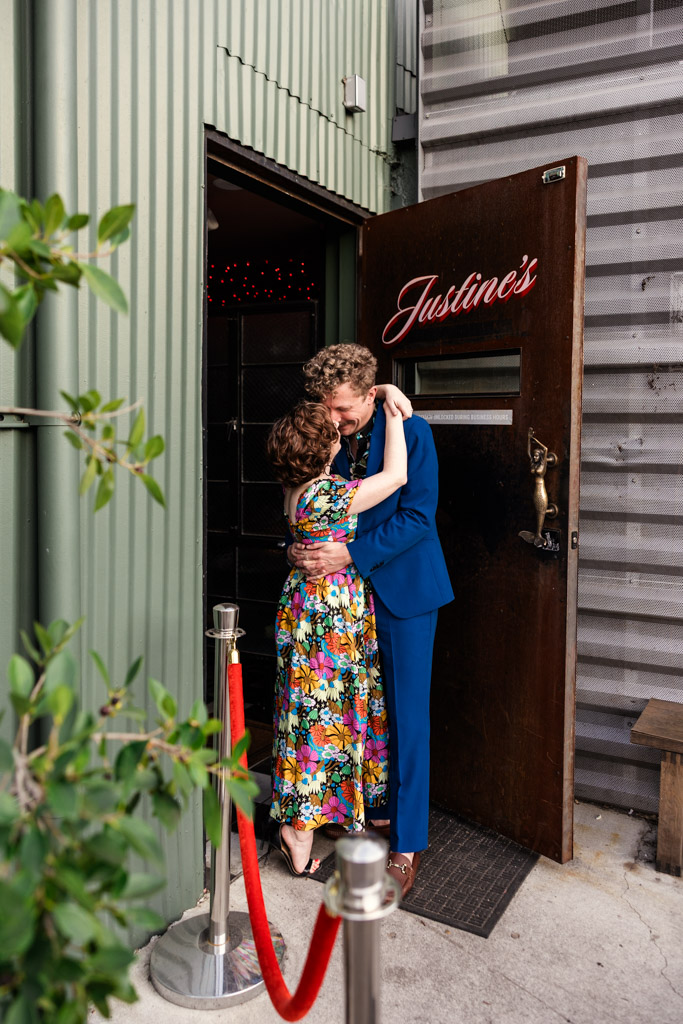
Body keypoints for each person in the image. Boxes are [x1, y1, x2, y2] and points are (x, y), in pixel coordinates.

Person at [289, 343, 454, 898]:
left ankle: (407, 847)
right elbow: (313, 501)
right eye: (326, 408)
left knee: (407, 718)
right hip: (345, 604)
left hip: (405, 594)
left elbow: (417, 517)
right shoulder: (326, 435)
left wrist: (351, 557)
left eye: (342, 408)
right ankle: (371, 809)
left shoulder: (414, 431)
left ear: (368, 391)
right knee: (358, 709)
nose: (333, 419)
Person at [266, 394, 407, 876]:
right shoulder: (328, 495)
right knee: (324, 714)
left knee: (307, 710)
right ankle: (299, 831)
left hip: (306, 607)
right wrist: (392, 411)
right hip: (330, 613)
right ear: (323, 449)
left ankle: (310, 820)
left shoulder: (295, 489)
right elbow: (396, 478)